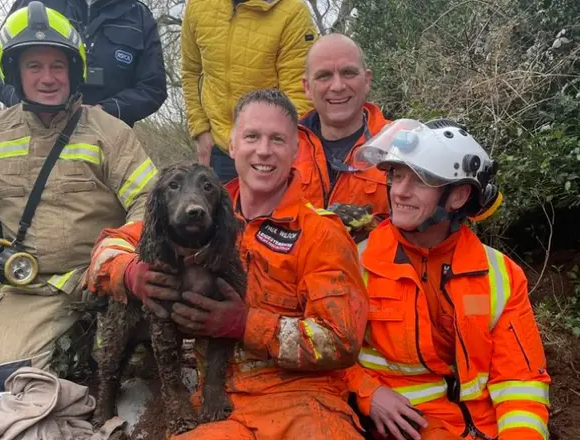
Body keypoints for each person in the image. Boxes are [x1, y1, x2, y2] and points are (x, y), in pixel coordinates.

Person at [86, 88, 369, 439]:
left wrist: (246, 325)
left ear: (296, 150)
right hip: (215, 405)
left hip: (300, 402)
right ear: (232, 146)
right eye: (252, 137)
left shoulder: (321, 233)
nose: (263, 150)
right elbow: (106, 247)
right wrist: (129, 273)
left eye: (277, 139)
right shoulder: (199, 210)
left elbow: (341, 341)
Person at [0, 1, 157, 395]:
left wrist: (118, 257)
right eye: (34, 66)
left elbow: (150, 200)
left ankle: (92, 357)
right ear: (15, 73)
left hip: (104, 284)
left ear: (75, 71)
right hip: (31, 286)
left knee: (130, 370)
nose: (48, 78)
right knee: (4, 380)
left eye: (58, 66)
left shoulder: (111, 133)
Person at [342, 119, 551, 440]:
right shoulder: (356, 263)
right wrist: (367, 391)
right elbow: (324, 356)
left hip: (482, 429)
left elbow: (521, 383)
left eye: (419, 180)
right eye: (396, 176)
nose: (399, 191)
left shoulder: (502, 275)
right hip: (401, 428)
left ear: (458, 196)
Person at [181, 0, 319, 183]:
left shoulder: (292, 11)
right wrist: (200, 130)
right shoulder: (198, 5)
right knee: (225, 212)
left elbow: (298, 93)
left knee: (273, 212)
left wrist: (275, 145)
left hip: (269, 151)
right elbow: (190, 72)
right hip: (220, 148)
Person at [0, 0, 167, 128]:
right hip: (36, 136)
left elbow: (153, 88)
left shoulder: (137, 14)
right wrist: (23, 103)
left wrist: (104, 112)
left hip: (108, 142)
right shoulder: (33, 4)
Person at [294, 33, 391, 239]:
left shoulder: (400, 142)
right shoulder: (281, 148)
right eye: (324, 76)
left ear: (367, 80)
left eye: (348, 73)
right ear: (307, 88)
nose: (337, 86)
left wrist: (378, 229)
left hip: (373, 268)